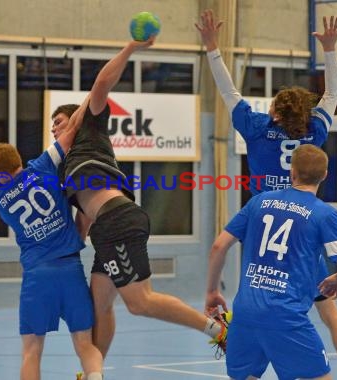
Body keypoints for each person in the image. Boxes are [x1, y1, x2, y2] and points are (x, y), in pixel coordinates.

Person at [196, 10, 337, 380]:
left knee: (257, 299)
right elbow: (332, 92)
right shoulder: (313, 133)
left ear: (272, 110)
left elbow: (229, 92)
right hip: (302, 233)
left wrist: (212, 49)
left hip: (263, 227)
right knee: (329, 313)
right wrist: (330, 51)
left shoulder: (256, 129)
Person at [51, 37, 228, 359]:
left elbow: (101, 83)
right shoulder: (66, 166)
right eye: (51, 128)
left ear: (75, 119)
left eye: (59, 123)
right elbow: (83, 219)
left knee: (140, 302)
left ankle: (219, 330)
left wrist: (131, 48)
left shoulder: (89, 127)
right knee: (100, 305)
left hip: (117, 219)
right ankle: (94, 371)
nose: (54, 130)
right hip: (105, 227)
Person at [205, 144, 337, 379]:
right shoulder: (325, 214)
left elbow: (219, 245)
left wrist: (212, 291)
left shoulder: (259, 202)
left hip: (245, 315)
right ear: (325, 175)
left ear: (292, 172)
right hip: (286, 318)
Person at [0, 98, 103, 380]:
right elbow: (71, 130)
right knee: (85, 344)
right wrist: (89, 100)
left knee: (31, 350)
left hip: (36, 274)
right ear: (18, 160)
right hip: (70, 268)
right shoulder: (43, 167)